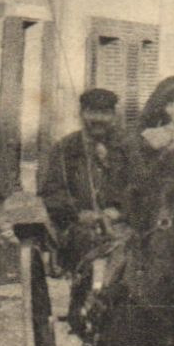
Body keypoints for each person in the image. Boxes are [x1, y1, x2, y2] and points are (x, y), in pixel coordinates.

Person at [39, 88, 135, 273]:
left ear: (114, 115)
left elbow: (142, 186)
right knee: (84, 248)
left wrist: (120, 211)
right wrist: (78, 214)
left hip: (123, 225)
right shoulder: (64, 148)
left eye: (105, 113)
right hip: (80, 227)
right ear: (82, 114)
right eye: (92, 112)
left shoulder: (129, 147)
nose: (98, 118)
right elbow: (51, 192)